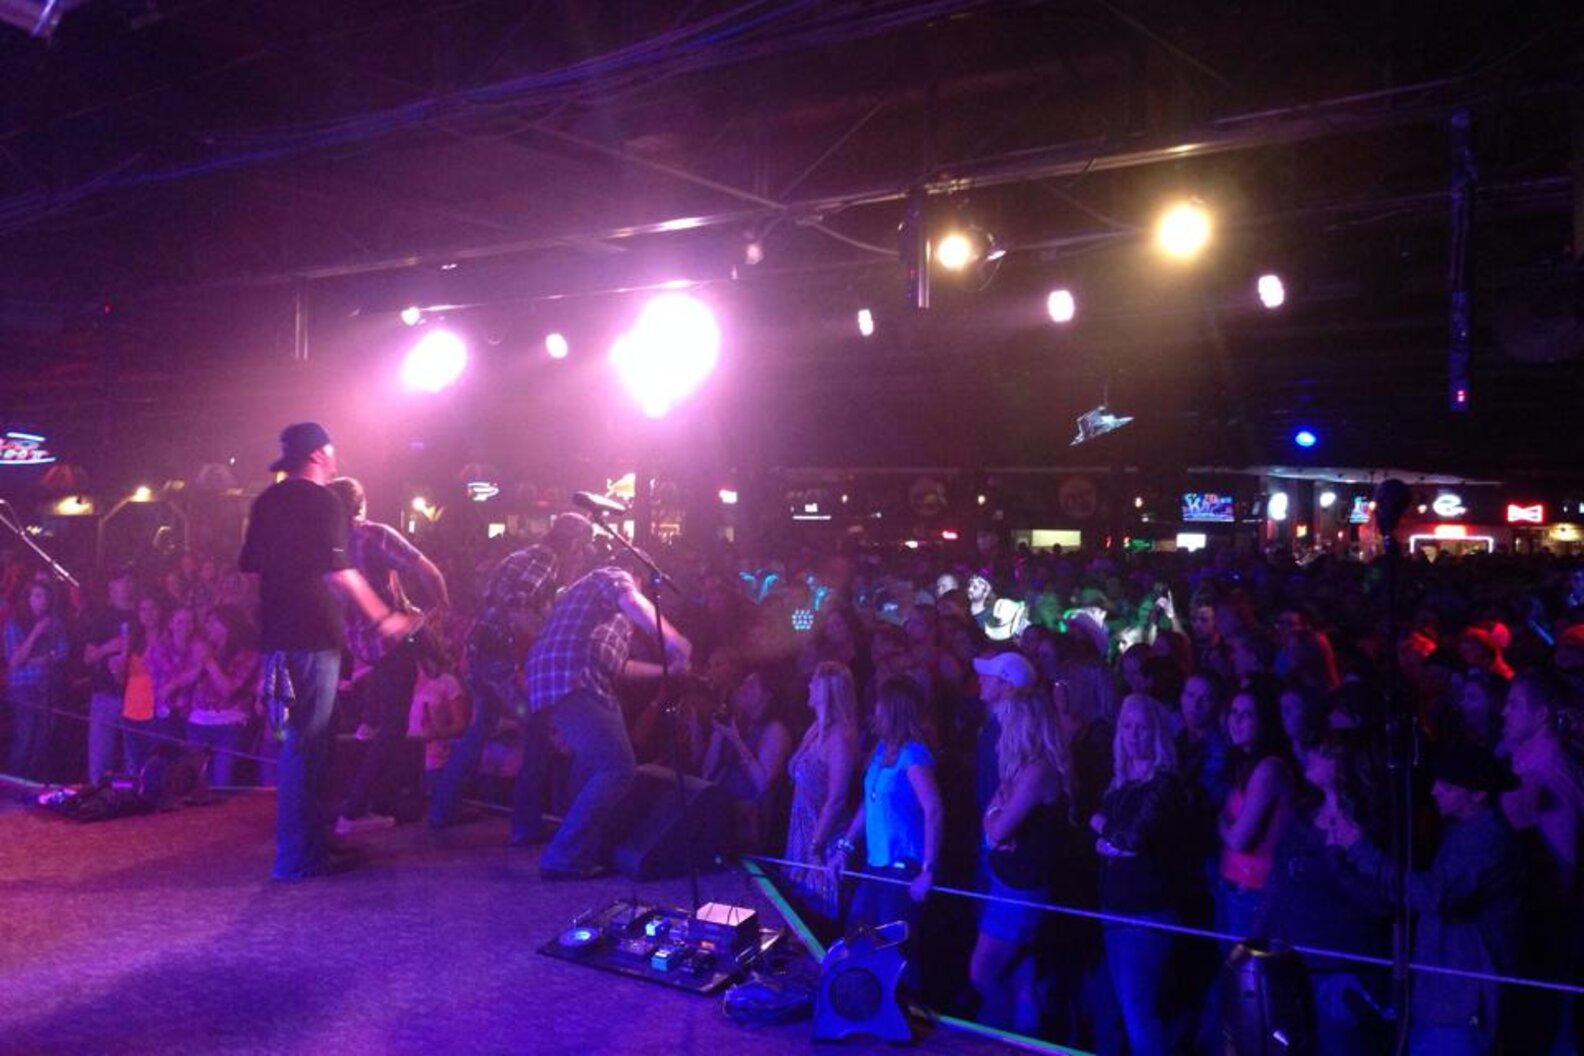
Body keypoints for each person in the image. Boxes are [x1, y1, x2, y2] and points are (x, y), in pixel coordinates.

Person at [239, 422, 417, 882]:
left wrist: (264, 633)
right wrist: (385, 618)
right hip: (313, 639)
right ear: (318, 454)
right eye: (331, 450)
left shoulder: (266, 501)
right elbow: (339, 572)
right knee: (307, 744)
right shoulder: (324, 502)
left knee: (296, 743)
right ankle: (299, 859)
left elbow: (249, 579)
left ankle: (310, 843)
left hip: (277, 644)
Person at [1331, 742, 1526, 1056]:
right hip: (1442, 995)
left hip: (1464, 1001)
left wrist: (1362, 850)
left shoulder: (1488, 840)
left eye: (1447, 786)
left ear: (1478, 794)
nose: (1434, 791)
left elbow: (1434, 895)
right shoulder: (1461, 831)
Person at [429, 511, 594, 842]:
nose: (583, 553)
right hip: (502, 657)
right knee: (537, 727)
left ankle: (441, 810)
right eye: (583, 545)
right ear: (574, 541)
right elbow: (518, 606)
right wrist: (547, 641)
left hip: (480, 650)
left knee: (480, 727)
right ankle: (525, 826)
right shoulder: (547, 558)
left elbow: (492, 599)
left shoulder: (521, 555)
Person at [523, 560, 691, 880]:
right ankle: (563, 855)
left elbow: (621, 668)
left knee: (591, 767)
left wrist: (669, 672)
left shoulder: (611, 620)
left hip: (565, 678)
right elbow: (632, 599)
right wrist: (673, 638)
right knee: (618, 767)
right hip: (572, 675)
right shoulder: (613, 575)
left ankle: (583, 853)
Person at [323, 476, 450, 834]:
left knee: (380, 719)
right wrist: (442, 604)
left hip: (361, 645)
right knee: (397, 723)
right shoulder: (373, 534)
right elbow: (427, 569)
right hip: (392, 638)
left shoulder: (327, 547)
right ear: (360, 504)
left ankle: (369, 726)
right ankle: (354, 810)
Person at [971, 683, 1073, 1035]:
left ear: (1023, 723)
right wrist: (994, 820)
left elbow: (996, 829)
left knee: (982, 972)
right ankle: (1020, 1041)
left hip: (1021, 892)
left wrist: (994, 820)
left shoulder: (1037, 772)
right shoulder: (1025, 768)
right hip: (1011, 884)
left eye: (1008, 719)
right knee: (1021, 979)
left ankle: (1002, 1041)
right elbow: (993, 822)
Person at [1090, 693, 1187, 1056]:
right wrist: (1110, 839)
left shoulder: (1163, 782)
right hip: (1114, 905)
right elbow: (1111, 842)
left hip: (1147, 913)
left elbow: (1132, 838)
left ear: (1156, 732)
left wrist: (1102, 827)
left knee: (1138, 1011)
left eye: (1142, 728)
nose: (1133, 735)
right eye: (1127, 727)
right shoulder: (1119, 781)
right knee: (1115, 1008)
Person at [828, 675, 945, 934]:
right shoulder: (882, 749)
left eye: (879, 705)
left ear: (892, 710)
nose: (875, 711)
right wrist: (844, 848)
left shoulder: (913, 755)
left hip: (902, 867)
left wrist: (928, 870)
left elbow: (934, 810)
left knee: (890, 945)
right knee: (857, 936)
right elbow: (869, 803)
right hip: (876, 863)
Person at [785, 661, 860, 926]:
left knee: (818, 919)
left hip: (823, 838)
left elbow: (837, 798)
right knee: (796, 916)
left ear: (827, 690)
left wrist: (814, 845)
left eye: (814, 682)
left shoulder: (839, 737)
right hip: (802, 830)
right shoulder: (815, 729)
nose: (809, 686)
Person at [701, 670, 793, 852]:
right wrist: (718, 734)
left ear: (767, 695)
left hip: (751, 823)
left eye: (751, 685)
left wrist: (736, 741)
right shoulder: (742, 725)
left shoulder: (776, 730)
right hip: (723, 812)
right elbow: (706, 773)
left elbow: (761, 784)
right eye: (743, 683)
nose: (743, 689)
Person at [4, 580, 69, 780]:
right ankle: (14, 784)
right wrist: (36, 632)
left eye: (46, 596)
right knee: (24, 739)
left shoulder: (55, 623)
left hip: (48, 687)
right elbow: (15, 661)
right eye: (38, 596)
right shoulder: (14, 623)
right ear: (28, 598)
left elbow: (61, 653)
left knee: (43, 741)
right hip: (24, 688)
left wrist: (34, 660)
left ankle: (33, 783)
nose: (43, 601)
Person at [82, 566, 137, 783]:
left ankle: (134, 798)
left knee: (134, 756)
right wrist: (108, 647)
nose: (128, 584)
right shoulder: (102, 617)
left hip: (135, 695)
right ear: (111, 586)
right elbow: (87, 658)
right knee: (100, 755)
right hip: (105, 693)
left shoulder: (141, 614)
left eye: (130, 580)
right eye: (123, 580)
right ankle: (97, 794)